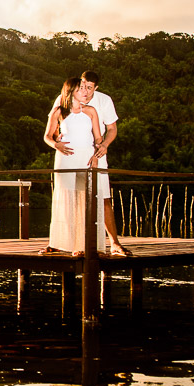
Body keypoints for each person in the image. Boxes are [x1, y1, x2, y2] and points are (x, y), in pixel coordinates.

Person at [41, 75, 104, 255]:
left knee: (85, 201)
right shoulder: (59, 111)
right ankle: (62, 244)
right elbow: (47, 136)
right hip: (65, 159)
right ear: (71, 92)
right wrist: (56, 144)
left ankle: (83, 245)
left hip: (86, 159)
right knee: (65, 200)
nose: (84, 91)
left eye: (85, 88)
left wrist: (98, 152)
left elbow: (98, 137)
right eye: (80, 88)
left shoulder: (91, 111)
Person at [76, 71, 130, 256]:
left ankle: (114, 243)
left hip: (97, 154)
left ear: (96, 88)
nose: (86, 90)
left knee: (104, 198)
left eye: (90, 87)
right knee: (75, 199)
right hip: (74, 155)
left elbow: (112, 128)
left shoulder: (104, 100)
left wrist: (105, 145)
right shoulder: (67, 96)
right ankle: (74, 244)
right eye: (83, 86)